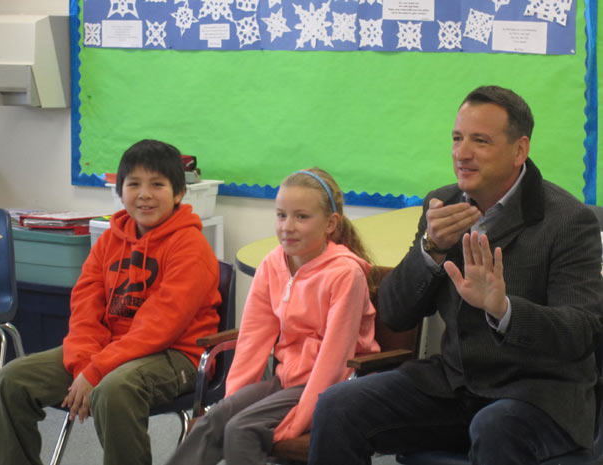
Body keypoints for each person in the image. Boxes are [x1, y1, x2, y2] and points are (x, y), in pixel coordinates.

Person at [308, 86, 603, 465]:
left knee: (495, 427)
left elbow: (582, 331)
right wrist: (430, 248)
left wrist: (505, 310)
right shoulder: (443, 204)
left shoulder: (567, 220)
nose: (462, 154)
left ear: (519, 150)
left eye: (480, 141)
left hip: (537, 395)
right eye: (457, 139)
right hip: (454, 384)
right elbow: (396, 313)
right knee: (337, 406)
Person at [0, 139, 221, 465]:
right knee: (14, 380)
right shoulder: (111, 239)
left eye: (158, 184)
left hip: (176, 354)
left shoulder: (191, 247)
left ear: (179, 193)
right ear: (121, 189)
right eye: (134, 184)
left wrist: (98, 370)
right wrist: (85, 364)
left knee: (114, 390)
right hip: (111, 349)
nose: (144, 194)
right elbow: (85, 306)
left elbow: (161, 325)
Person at [165, 167, 380, 465]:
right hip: (287, 378)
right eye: (281, 215)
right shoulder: (272, 264)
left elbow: (335, 358)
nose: (287, 227)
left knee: (242, 430)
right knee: (212, 423)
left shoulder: (345, 274)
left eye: (301, 217)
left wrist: (301, 418)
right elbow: (254, 338)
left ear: (331, 223)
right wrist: (234, 400)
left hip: (333, 386)